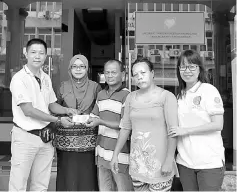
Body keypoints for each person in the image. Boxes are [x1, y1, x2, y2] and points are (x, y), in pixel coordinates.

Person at [9, 38, 74, 192]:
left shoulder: (45, 77)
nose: (37, 56)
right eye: (33, 52)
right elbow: (28, 110)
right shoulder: (19, 79)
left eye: (41, 53)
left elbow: (51, 104)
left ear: (46, 56)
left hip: (45, 139)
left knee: (40, 186)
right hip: (25, 138)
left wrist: (67, 110)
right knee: (18, 185)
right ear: (26, 53)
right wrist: (57, 120)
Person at [110, 57, 178, 192]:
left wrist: (169, 160)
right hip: (138, 164)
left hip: (160, 164)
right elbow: (125, 128)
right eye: (135, 75)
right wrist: (115, 155)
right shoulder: (130, 97)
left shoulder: (166, 97)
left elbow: (173, 131)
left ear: (152, 73)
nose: (139, 77)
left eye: (143, 73)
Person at [168, 49, 225, 191]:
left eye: (192, 66)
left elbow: (218, 124)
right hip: (185, 162)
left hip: (209, 163)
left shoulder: (208, 90)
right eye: (183, 66)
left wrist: (185, 131)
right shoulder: (180, 96)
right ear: (179, 70)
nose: (187, 70)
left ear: (200, 69)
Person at [51, 54, 101, 191]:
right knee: (68, 174)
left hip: (88, 141)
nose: (78, 69)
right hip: (66, 140)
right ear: (69, 69)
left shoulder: (95, 87)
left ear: (87, 69)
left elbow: (100, 108)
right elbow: (53, 106)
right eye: (74, 66)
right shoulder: (62, 86)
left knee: (87, 174)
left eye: (82, 66)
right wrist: (67, 110)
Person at [86, 59, 133, 191]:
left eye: (114, 72)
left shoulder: (127, 95)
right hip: (101, 152)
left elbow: (125, 125)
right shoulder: (101, 94)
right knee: (105, 189)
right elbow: (94, 117)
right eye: (107, 72)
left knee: (123, 189)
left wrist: (101, 121)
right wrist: (80, 117)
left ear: (123, 75)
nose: (110, 75)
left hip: (120, 155)